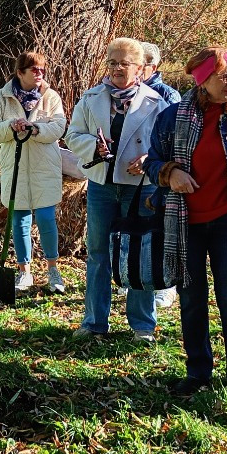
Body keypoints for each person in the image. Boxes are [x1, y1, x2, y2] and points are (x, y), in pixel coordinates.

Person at [144, 47, 227, 395]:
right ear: (203, 80)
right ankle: (198, 372)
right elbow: (152, 161)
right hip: (185, 221)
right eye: (225, 76)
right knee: (191, 299)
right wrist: (168, 173)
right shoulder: (173, 117)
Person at [66, 37, 167, 342]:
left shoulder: (157, 102)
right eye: (113, 62)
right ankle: (95, 322)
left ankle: (142, 326)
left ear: (140, 68)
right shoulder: (91, 97)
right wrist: (92, 147)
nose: (118, 68)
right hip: (102, 184)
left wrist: (150, 159)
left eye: (125, 63)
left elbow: (168, 143)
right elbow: (72, 135)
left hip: (141, 188)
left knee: (139, 253)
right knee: (97, 253)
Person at [0, 51, 68, 293]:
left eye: (42, 70)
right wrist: (11, 126)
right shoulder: (2, 97)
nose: (39, 74)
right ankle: (24, 272)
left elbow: (59, 126)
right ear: (20, 72)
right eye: (34, 70)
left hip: (45, 167)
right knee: (20, 220)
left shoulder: (50, 96)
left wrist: (35, 128)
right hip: (15, 166)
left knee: (45, 218)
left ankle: (53, 269)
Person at [141, 41, 181, 310]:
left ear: (152, 66)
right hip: (133, 178)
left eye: (138, 62)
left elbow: (179, 138)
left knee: (166, 233)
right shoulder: (124, 92)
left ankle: (168, 286)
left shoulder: (168, 96)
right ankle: (140, 280)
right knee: (142, 234)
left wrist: (157, 164)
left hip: (162, 177)